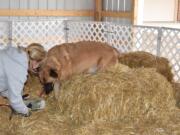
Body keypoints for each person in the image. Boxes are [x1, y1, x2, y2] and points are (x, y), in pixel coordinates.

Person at [0, 43, 46, 117]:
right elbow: (14, 100)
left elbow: (4, 83)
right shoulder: (20, 68)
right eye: (39, 65)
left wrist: (19, 97)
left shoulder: (15, 53)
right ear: (35, 62)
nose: (37, 68)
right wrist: (26, 111)